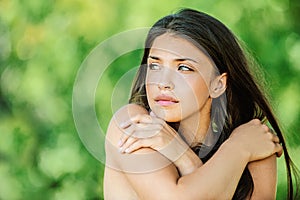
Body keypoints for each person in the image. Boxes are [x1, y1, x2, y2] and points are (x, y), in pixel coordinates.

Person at [104, 8, 299, 199]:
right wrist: (238, 149)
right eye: (155, 65)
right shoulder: (134, 125)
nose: (163, 83)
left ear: (217, 84)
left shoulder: (255, 140)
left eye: (183, 68)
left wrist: (186, 159)